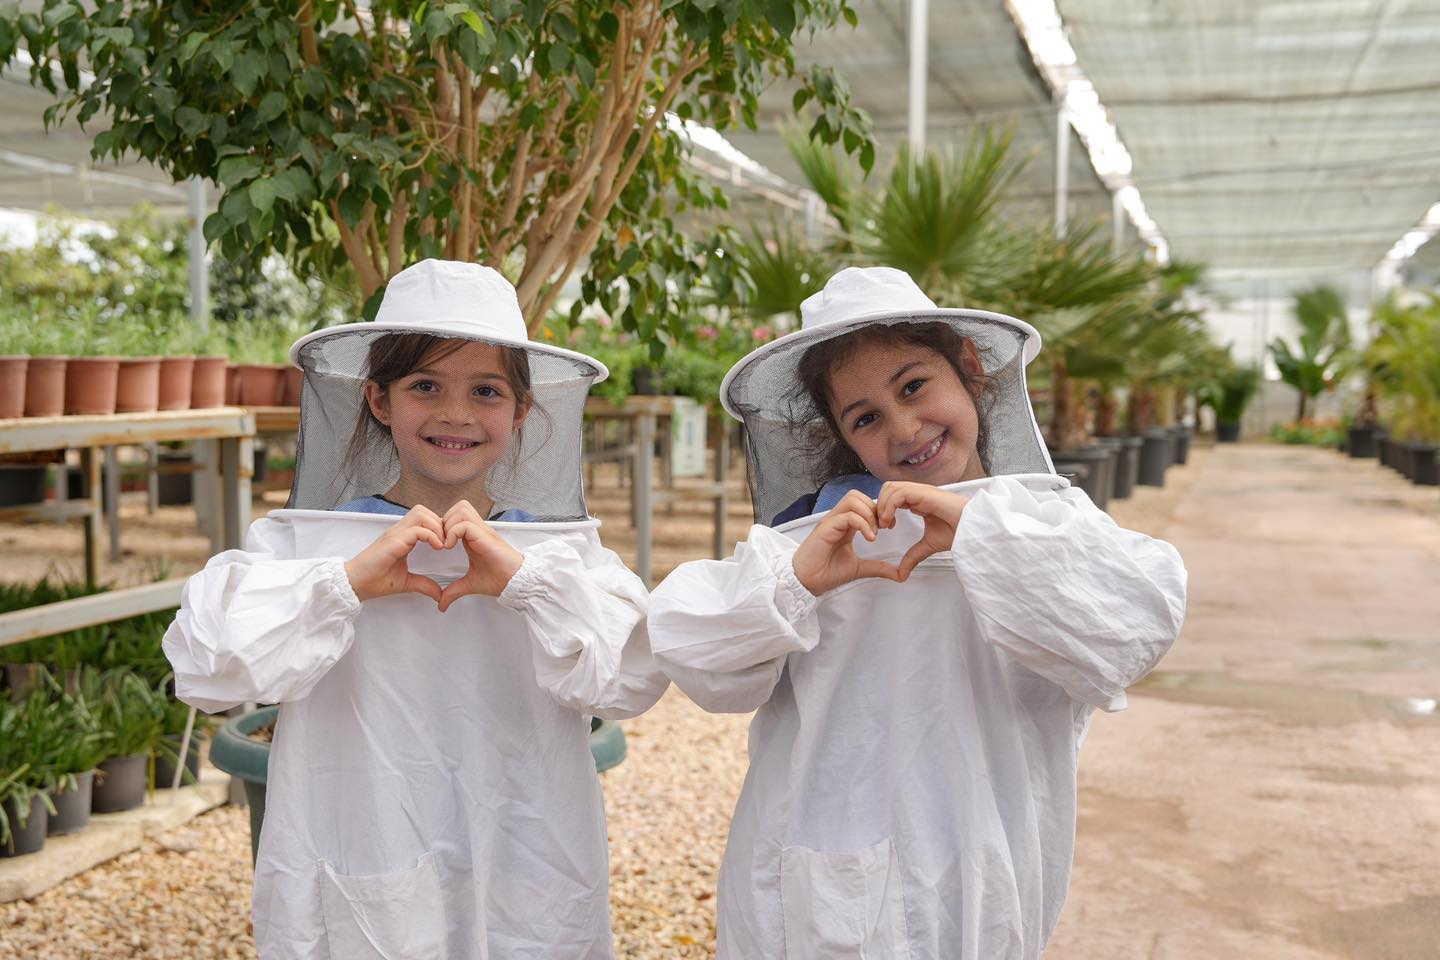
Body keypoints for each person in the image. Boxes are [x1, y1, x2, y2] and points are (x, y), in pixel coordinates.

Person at [649, 266, 1187, 959]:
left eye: (914, 386)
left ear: (968, 368)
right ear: (841, 434)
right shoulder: (810, 534)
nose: (904, 428)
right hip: (808, 893)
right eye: (866, 417)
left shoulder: (1045, 524)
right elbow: (690, 649)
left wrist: (981, 537)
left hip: (987, 881)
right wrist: (794, 584)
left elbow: (1134, 627)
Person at [163, 259, 668, 960]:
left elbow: (634, 676)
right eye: (424, 385)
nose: (455, 413)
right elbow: (210, 666)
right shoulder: (305, 545)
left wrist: (526, 583)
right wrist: (341, 585)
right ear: (378, 399)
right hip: (358, 847)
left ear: (522, 410)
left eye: (486, 390)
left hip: (527, 862)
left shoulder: (561, 557)